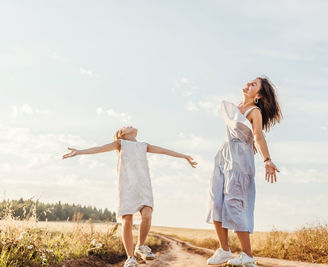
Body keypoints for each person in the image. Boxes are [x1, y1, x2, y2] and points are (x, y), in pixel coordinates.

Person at [63, 126, 197, 267]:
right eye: (126, 126)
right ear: (123, 134)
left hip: (144, 186)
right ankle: (130, 257)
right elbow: (99, 148)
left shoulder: (143, 145)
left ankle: (140, 246)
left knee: (147, 215)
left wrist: (184, 156)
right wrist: (79, 152)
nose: (130, 125)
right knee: (127, 220)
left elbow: (164, 150)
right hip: (127, 187)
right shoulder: (121, 144)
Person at [206, 77, 282, 266]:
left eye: (253, 84)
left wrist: (267, 159)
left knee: (234, 204)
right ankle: (224, 250)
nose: (248, 84)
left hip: (239, 163)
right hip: (223, 158)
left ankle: (247, 256)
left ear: (259, 95)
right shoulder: (236, 107)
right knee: (215, 202)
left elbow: (258, 135)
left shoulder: (254, 111)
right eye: (249, 82)